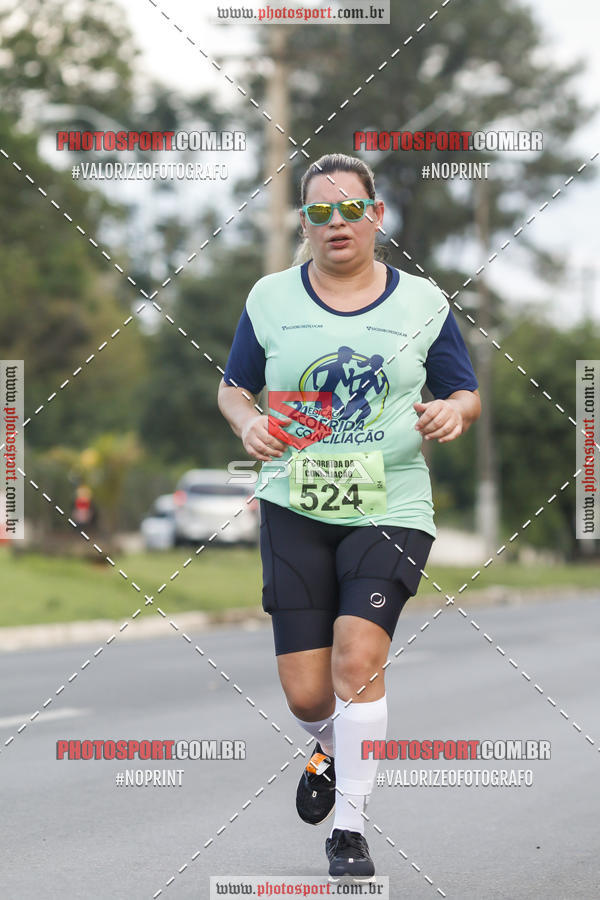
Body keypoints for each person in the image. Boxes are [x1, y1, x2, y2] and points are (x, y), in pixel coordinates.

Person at [217, 152, 481, 881]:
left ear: (376, 217)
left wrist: (450, 412)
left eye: (350, 209)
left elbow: (465, 392)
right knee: (307, 692)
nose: (337, 223)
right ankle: (329, 748)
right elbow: (234, 388)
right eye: (320, 212)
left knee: (357, 662)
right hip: (295, 502)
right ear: (304, 224)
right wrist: (246, 424)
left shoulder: (422, 302)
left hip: (391, 501)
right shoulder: (270, 298)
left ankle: (350, 829)